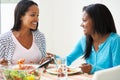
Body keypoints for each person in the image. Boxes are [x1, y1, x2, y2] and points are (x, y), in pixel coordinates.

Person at [66, 3, 120, 74]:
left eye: (84, 20)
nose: (81, 25)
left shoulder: (115, 41)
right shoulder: (84, 40)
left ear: (96, 21)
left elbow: (117, 73)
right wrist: (53, 59)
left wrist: (92, 69)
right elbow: (68, 59)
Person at [0, 0, 46, 65]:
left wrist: (46, 61)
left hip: (37, 75)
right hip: (13, 75)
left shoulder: (40, 37)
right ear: (21, 16)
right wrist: (3, 66)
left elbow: (43, 64)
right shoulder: (3, 39)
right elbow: (2, 68)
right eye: (32, 15)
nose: (37, 19)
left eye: (37, 15)